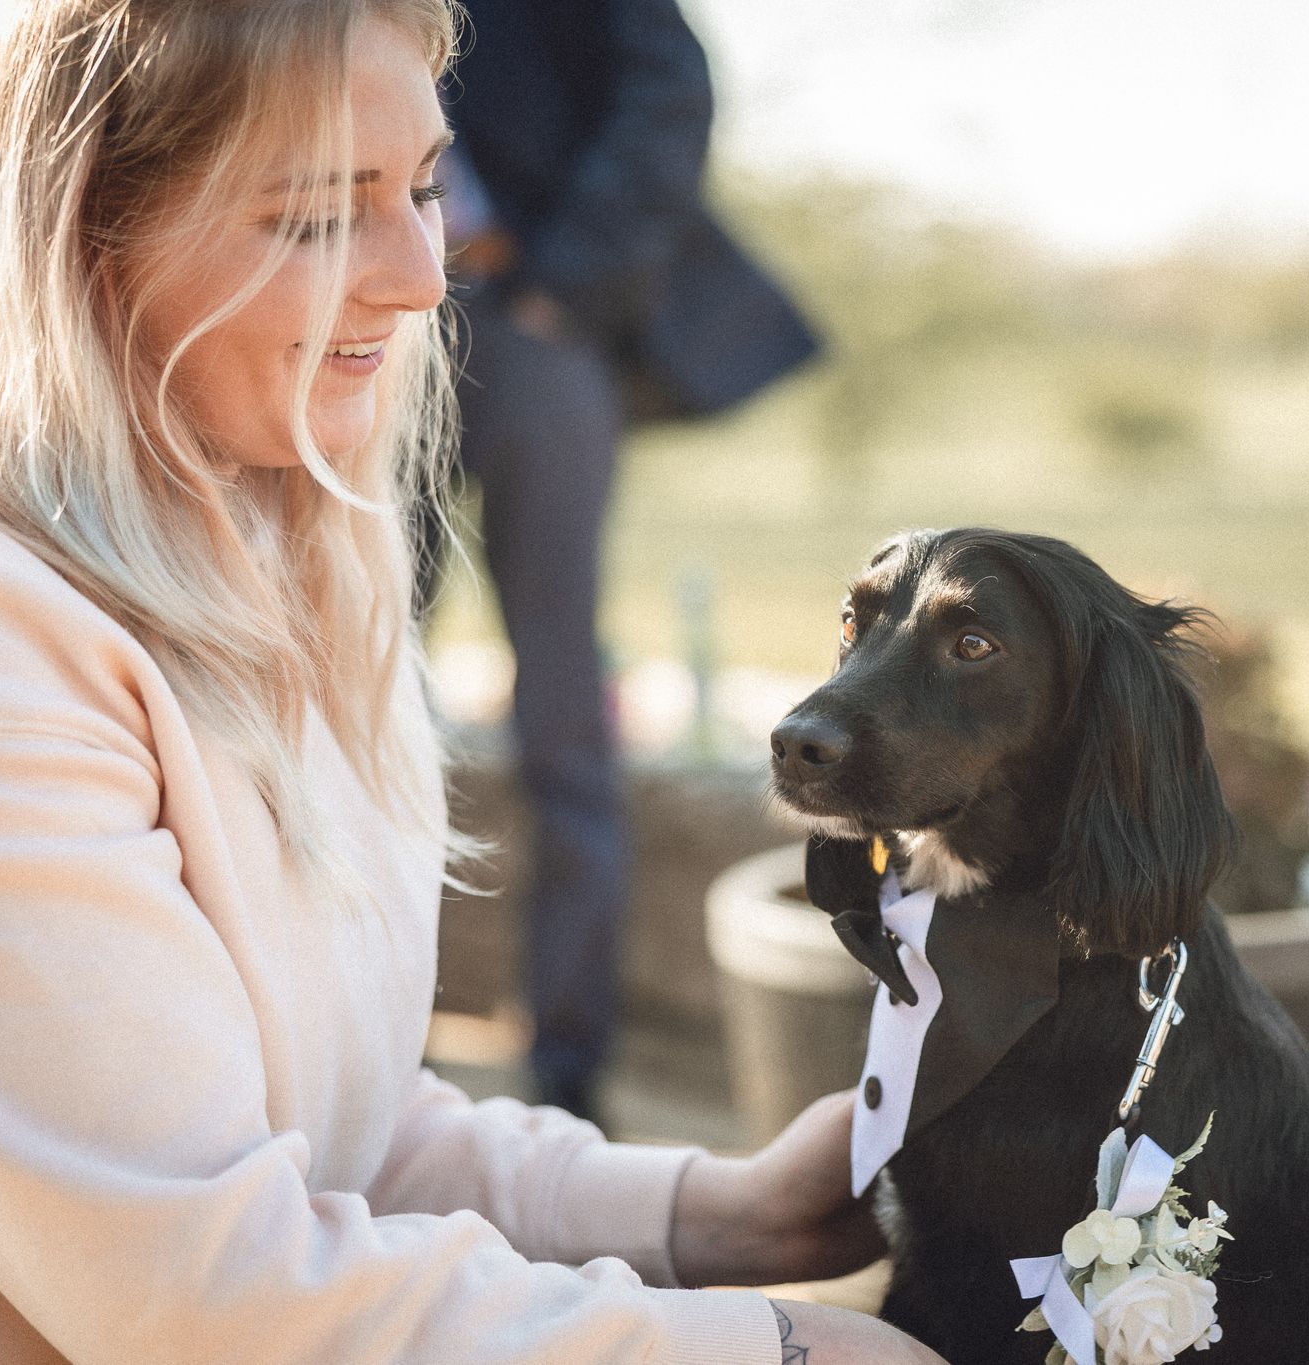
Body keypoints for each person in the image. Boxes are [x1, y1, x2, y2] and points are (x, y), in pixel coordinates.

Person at [0, 3, 936, 1361]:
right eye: (316, 215)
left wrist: (716, 1215)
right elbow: (204, 1291)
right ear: (76, 239)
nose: (425, 274)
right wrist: (792, 1352)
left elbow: (330, 1124)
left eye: (420, 188)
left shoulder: (288, 557)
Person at [428, 0, 820, 1122]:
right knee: (354, 701)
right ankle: (369, 1054)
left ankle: (565, 1076)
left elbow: (667, 91)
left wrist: (563, 289)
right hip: (361, 320)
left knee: (562, 718)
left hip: (527, 317)